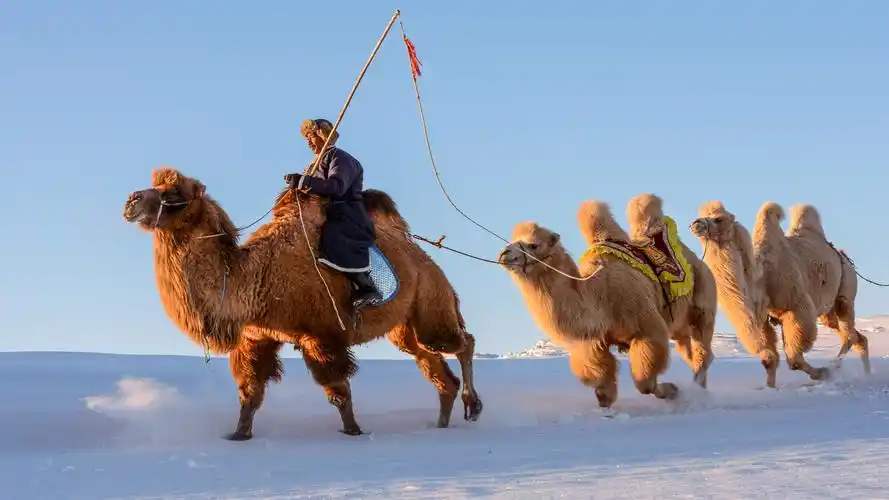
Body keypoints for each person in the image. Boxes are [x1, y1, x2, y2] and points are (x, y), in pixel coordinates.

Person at [284, 118, 383, 311]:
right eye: (306, 139)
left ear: (321, 135)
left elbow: (336, 187)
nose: (309, 142)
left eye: (311, 137)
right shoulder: (315, 163)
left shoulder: (342, 159)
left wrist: (304, 181)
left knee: (334, 235)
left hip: (345, 214)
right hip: (321, 213)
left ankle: (367, 286)